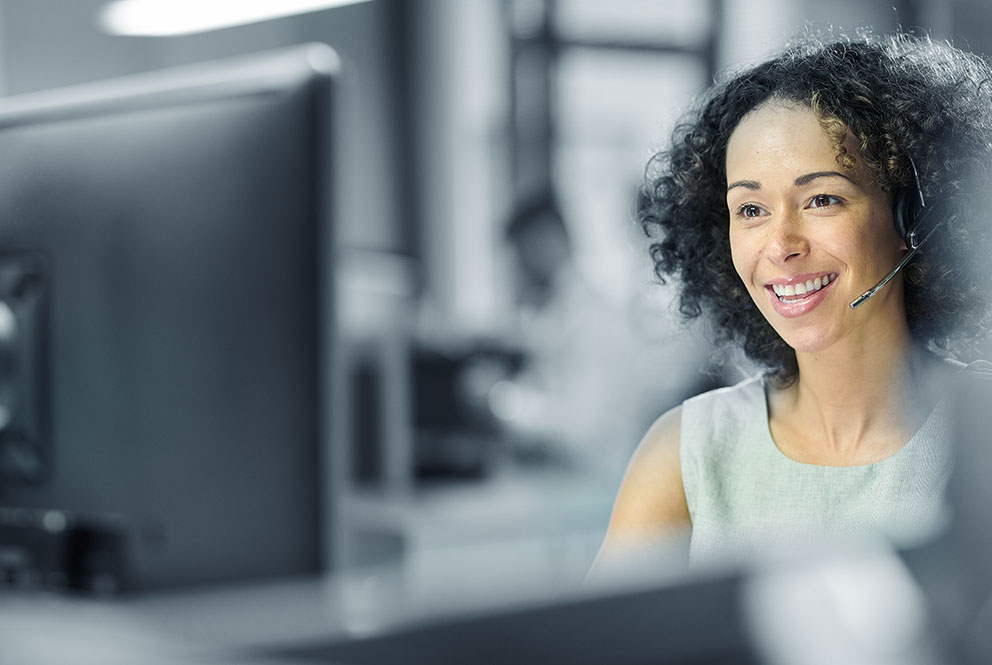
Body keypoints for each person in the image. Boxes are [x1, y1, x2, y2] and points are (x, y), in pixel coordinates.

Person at [593, 32, 992, 568]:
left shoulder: (980, 437)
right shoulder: (685, 455)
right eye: (751, 210)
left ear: (912, 217)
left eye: (821, 199)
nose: (781, 246)